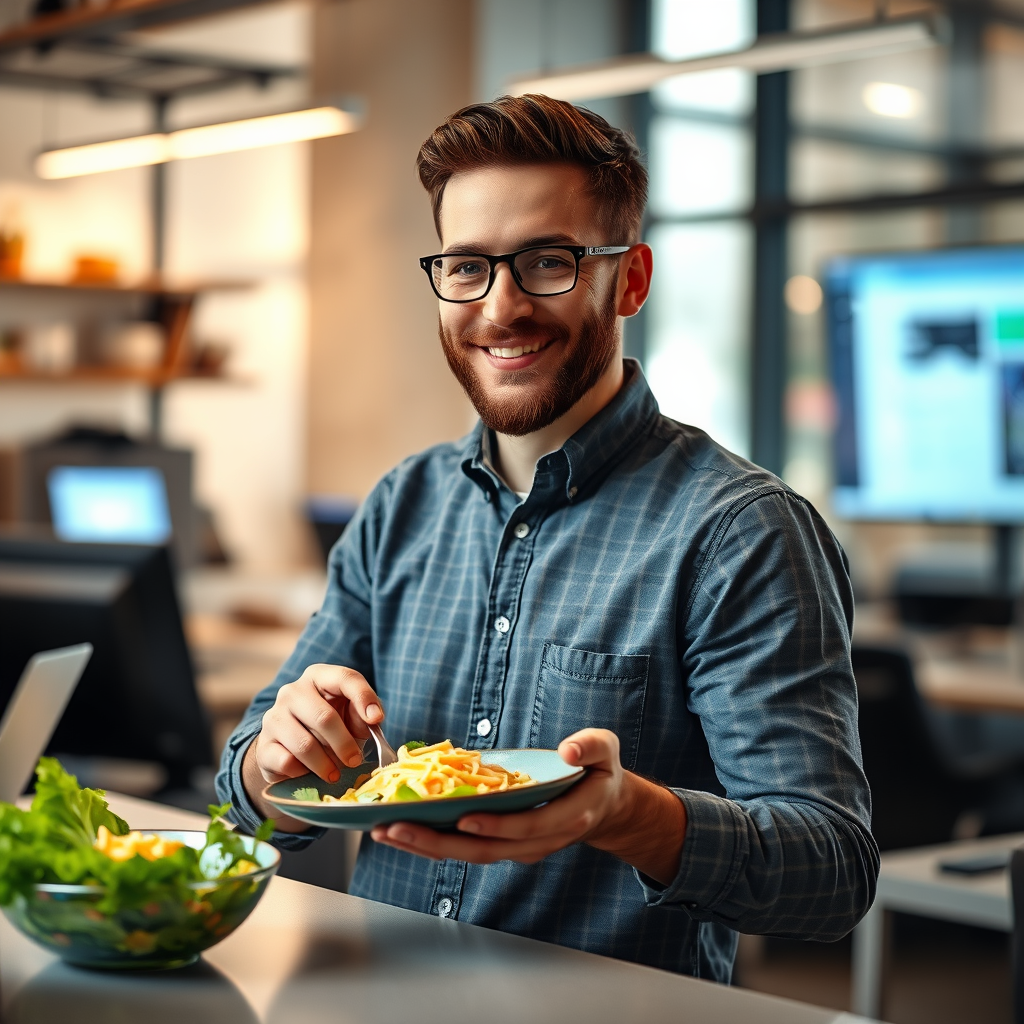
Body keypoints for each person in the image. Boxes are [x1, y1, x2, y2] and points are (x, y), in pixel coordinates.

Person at [217, 94, 878, 982]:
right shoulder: (401, 505)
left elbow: (831, 871)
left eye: (548, 263)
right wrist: (273, 760)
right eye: (467, 268)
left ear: (630, 280)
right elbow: (249, 803)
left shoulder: (740, 532)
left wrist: (625, 813)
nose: (500, 308)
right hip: (376, 1002)